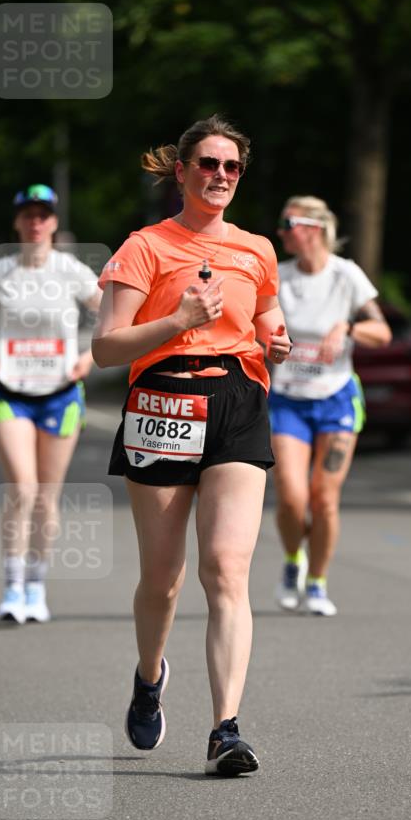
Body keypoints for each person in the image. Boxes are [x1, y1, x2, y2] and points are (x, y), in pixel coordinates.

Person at [92, 114, 291, 776]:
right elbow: (104, 347)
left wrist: (277, 343)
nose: (220, 176)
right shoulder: (144, 248)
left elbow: (266, 322)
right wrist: (178, 320)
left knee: (227, 571)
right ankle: (150, 677)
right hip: (162, 402)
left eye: (231, 167)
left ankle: (224, 730)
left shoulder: (256, 249)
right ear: (180, 172)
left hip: (236, 400)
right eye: (208, 164)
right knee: (164, 579)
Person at [0, 184, 100, 623]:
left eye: (43, 214)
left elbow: (114, 315)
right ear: (17, 222)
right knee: (21, 489)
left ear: (54, 222)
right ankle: (12, 587)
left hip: (61, 394)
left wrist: (87, 357)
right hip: (12, 394)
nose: (35, 222)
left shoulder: (72, 270)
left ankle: (37, 586)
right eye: (28, 214)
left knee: (46, 496)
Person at [269, 196, 392, 616]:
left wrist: (349, 327)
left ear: (314, 228)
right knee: (291, 498)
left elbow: (382, 331)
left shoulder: (346, 276)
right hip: (287, 399)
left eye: (288, 222)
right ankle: (292, 562)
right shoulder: (278, 277)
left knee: (323, 499)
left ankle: (317, 583)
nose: (282, 230)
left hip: (336, 398)